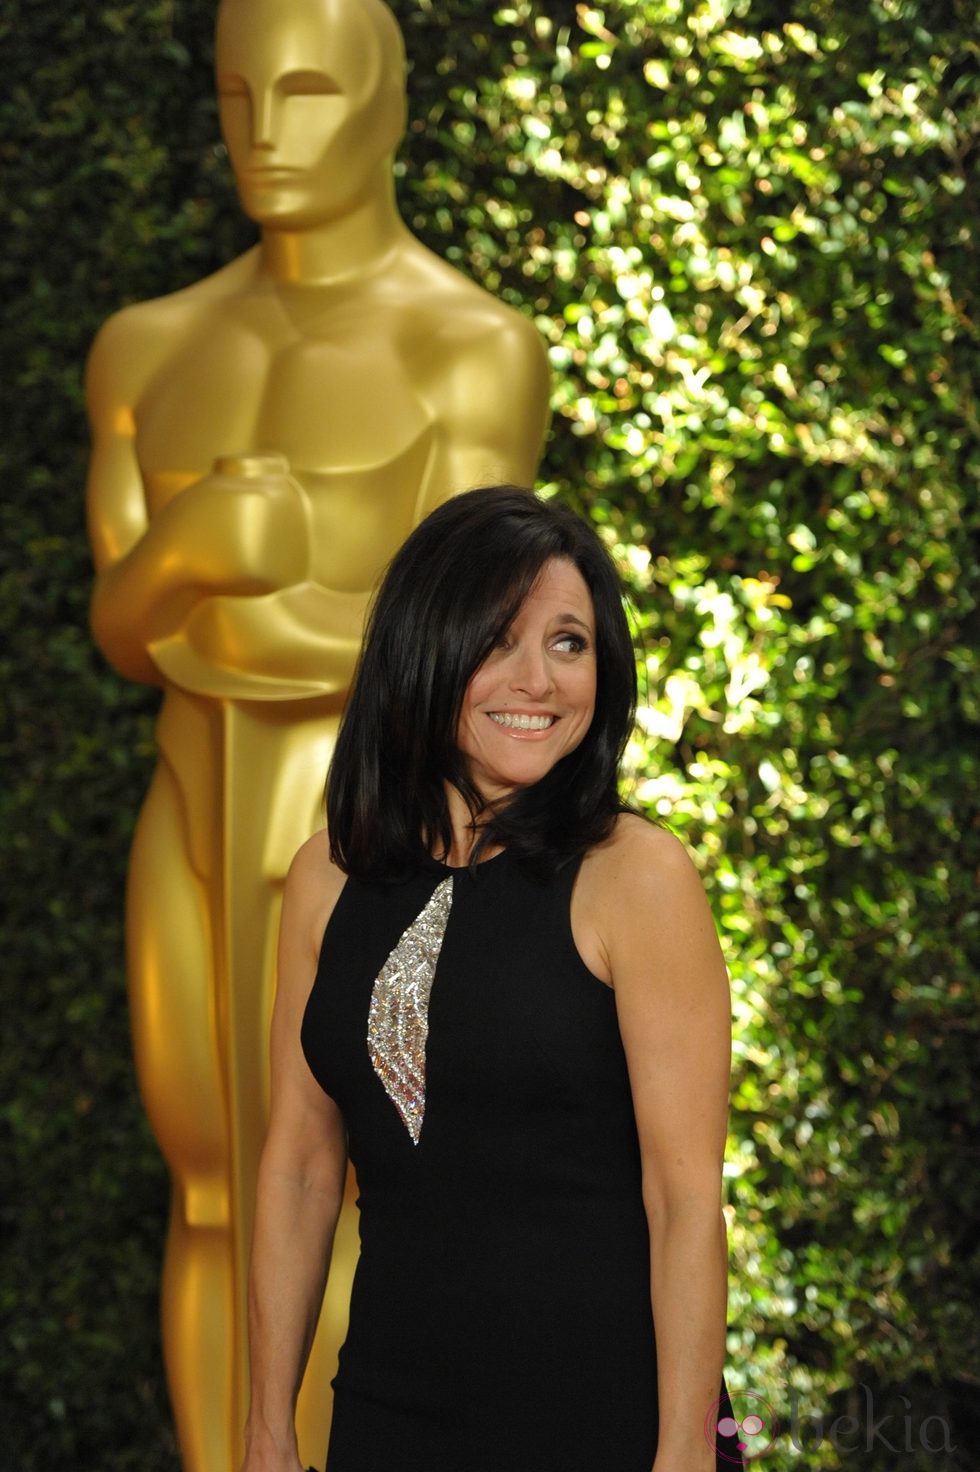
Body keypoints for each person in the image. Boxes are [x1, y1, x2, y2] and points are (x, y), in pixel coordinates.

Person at [85, 0, 548, 1461]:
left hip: (369, 829)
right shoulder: (147, 347)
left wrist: (230, 621)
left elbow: (473, 642)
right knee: (214, 1187)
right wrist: (197, 554)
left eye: (304, 91)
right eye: (237, 96)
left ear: (386, 102)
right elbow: (123, 621)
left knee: (362, 1175)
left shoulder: (470, 348)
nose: (266, 135)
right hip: (192, 813)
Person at [242, 485, 743, 1472]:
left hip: (606, 1421)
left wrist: (684, 1446)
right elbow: (298, 1166)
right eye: (497, 640)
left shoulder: (634, 876)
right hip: (386, 1417)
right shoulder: (324, 876)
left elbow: (683, 1196)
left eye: (568, 642)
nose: (538, 679)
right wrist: (264, 1429)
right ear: (423, 648)